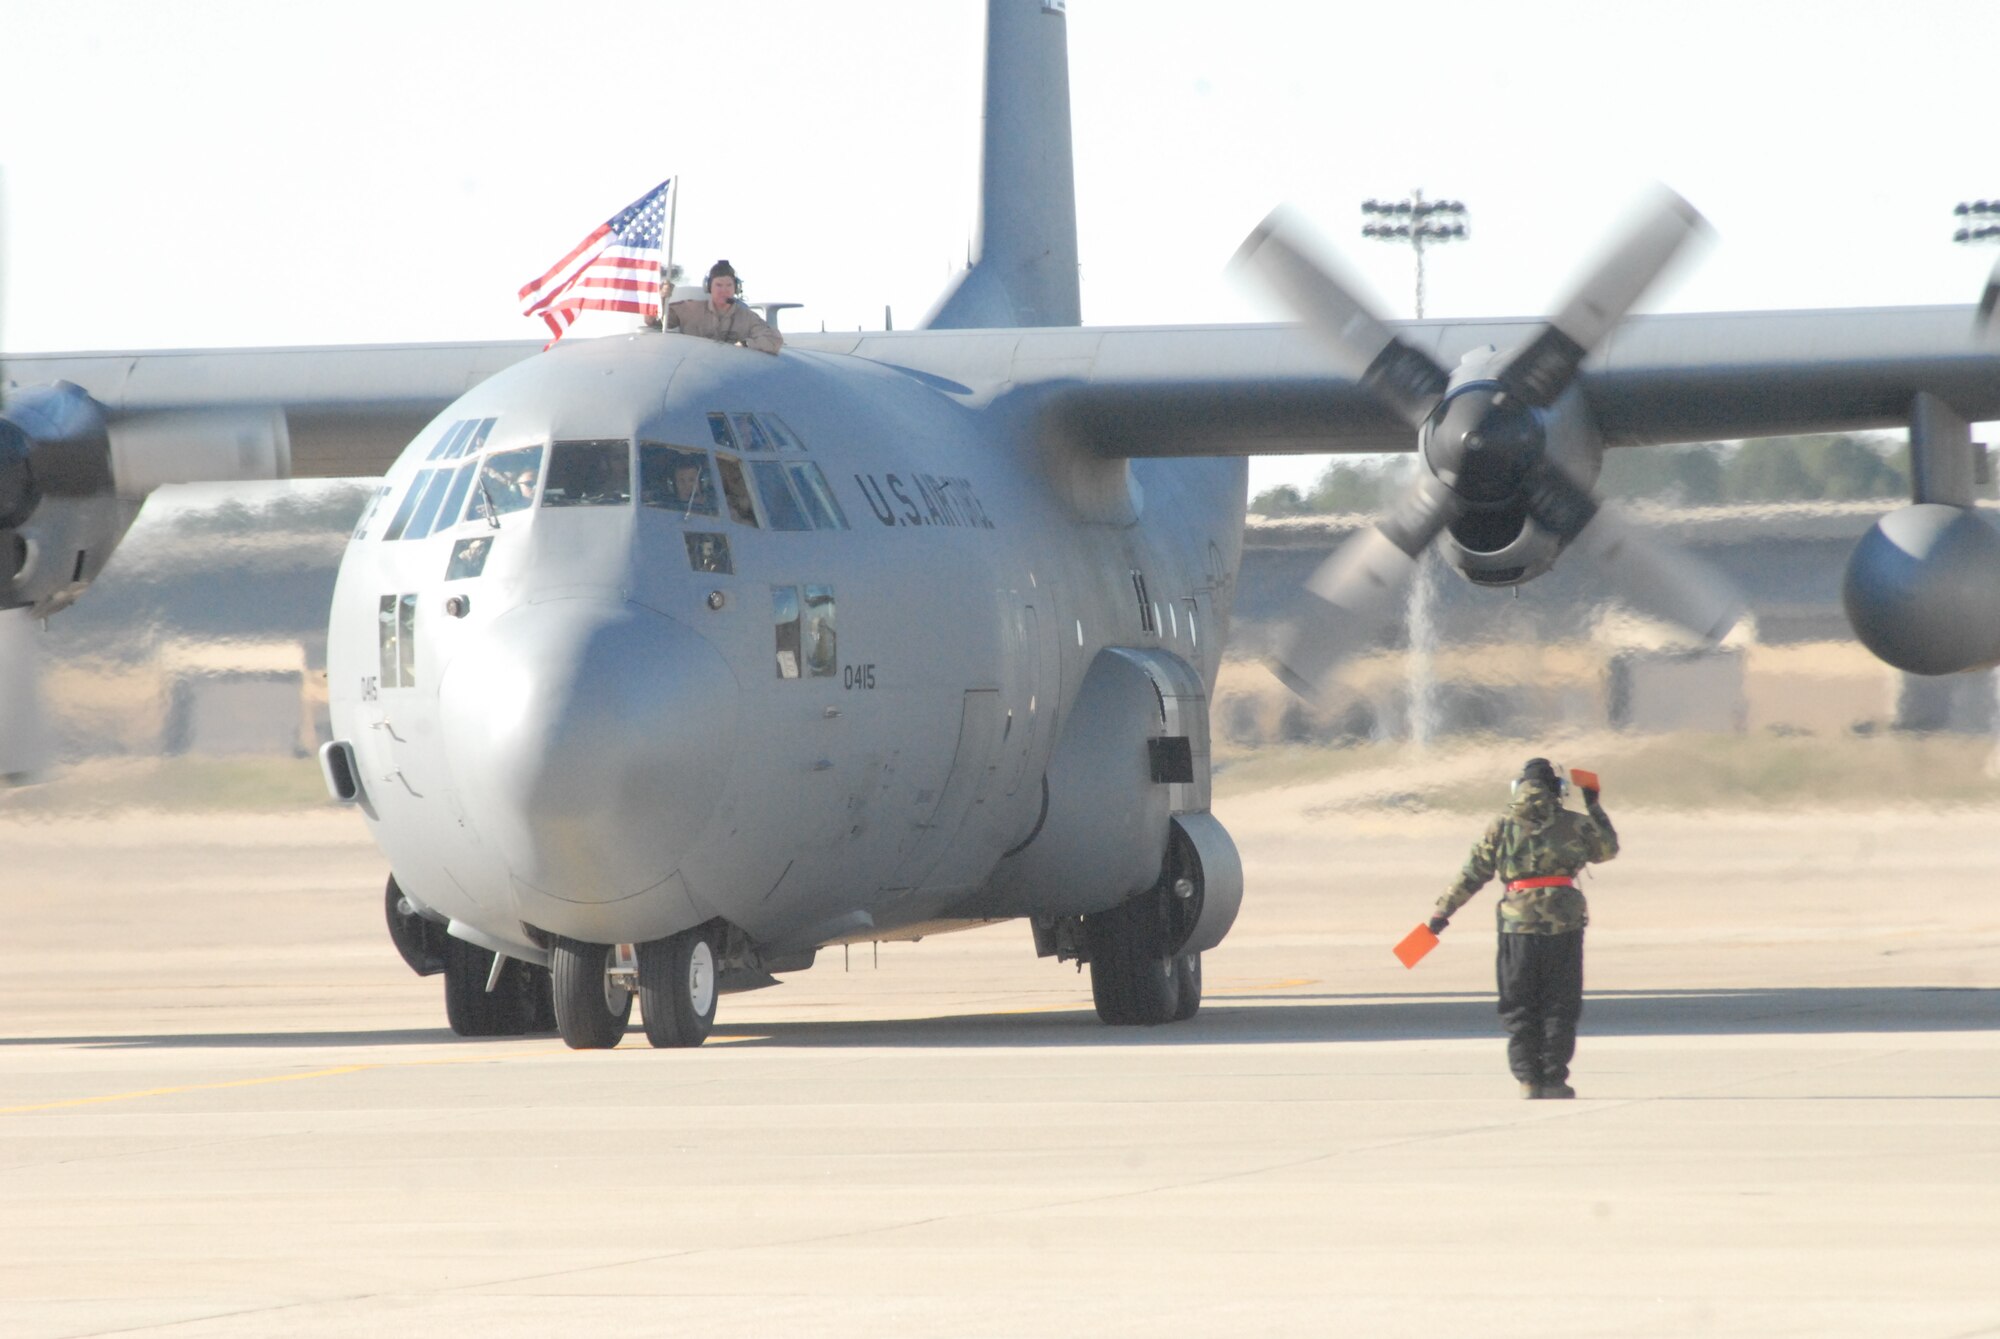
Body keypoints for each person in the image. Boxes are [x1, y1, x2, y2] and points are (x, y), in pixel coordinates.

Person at [1425, 758, 1618, 1100]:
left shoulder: (1501, 826)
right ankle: (1554, 1078)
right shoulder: (1575, 824)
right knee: (1560, 1002)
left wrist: (1442, 912)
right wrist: (1594, 804)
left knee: (1519, 1001)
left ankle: (1527, 1079)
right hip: (1564, 925)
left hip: (1517, 925)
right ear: (1557, 790)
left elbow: (1472, 874)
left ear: (1517, 789)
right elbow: (1608, 849)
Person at [664, 259, 783, 354]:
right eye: (719, 285)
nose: (724, 291)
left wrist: (746, 344)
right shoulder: (690, 310)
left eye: (729, 285)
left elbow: (773, 340)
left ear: (736, 288)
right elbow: (655, 319)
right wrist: (662, 298)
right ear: (709, 287)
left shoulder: (747, 318)